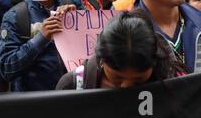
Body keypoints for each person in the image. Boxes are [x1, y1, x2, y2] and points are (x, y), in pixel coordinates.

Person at [0, 0, 84, 92]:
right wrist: (41, 37)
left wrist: (78, 22)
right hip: (33, 106)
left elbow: (93, 51)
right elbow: (7, 68)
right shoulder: (15, 16)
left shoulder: (74, 4)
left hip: (73, 99)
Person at [56, 10, 187, 90]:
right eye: (117, 77)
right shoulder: (72, 86)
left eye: (139, 80)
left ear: (154, 62)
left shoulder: (174, 83)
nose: (126, 86)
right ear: (101, 60)